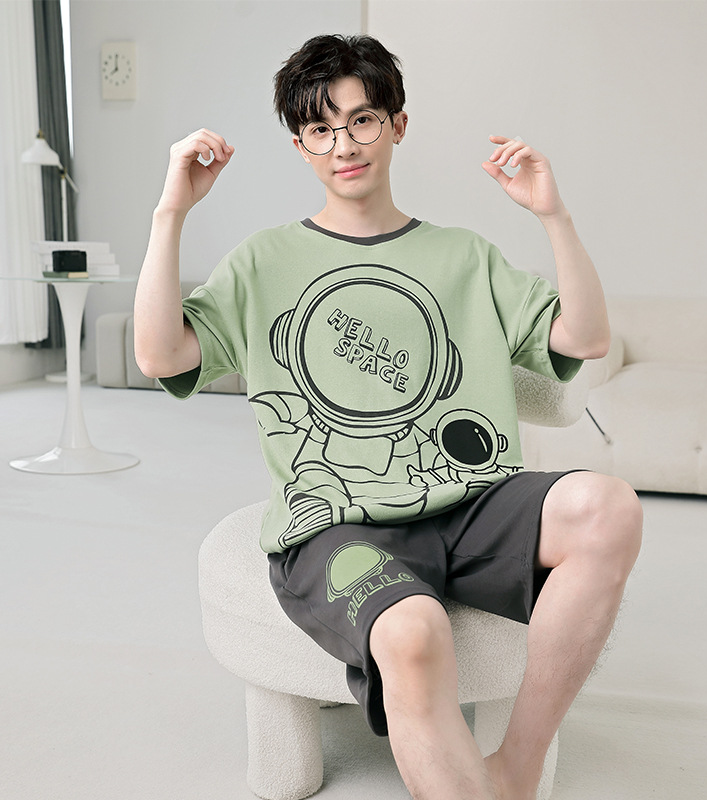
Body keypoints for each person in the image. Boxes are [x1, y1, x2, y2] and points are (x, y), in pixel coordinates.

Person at [134, 33, 642, 800]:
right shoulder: (262, 262)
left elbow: (586, 337)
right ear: (300, 145)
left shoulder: (464, 256)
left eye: (362, 120)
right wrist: (170, 212)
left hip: (471, 506)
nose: (344, 144)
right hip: (336, 527)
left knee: (609, 507)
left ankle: (516, 766)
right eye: (320, 128)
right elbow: (159, 355)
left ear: (397, 126)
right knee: (412, 630)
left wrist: (554, 214)